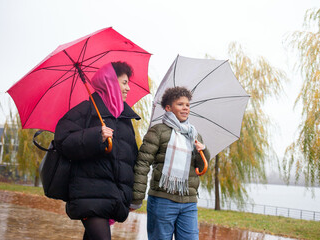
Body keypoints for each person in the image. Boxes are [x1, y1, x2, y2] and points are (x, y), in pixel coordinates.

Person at [54, 62, 140, 240]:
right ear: (110, 82)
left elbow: (131, 159)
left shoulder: (125, 119)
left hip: (113, 197)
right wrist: (96, 136)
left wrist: (130, 195)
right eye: (124, 83)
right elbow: (63, 141)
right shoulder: (86, 110)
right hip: (89, 194)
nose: (128, 88)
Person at [131, 86, 210, 240]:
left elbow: (201, 168)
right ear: (168, 108)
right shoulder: (158, 131)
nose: (185, 108)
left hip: (188, 202)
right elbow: (142, 164)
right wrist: (137, 197)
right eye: (180, 104)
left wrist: (203, 150)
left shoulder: (194, 134)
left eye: (187, 105)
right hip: (162, 200)